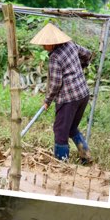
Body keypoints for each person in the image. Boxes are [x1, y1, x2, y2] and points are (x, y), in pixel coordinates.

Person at [30, 22, 93, 163]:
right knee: (71, 128)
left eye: (45, 43)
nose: (43, 46)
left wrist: (47, 100)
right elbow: (87, 54)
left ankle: (61, 163)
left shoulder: (55, 57)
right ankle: (86, 155)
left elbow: (55, 83)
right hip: (83, 94)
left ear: (52, 43)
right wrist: (80, 67)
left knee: (60, 131)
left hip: (68, 98)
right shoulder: (71, 45)